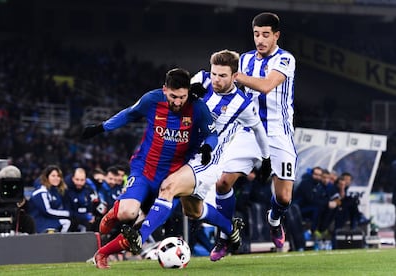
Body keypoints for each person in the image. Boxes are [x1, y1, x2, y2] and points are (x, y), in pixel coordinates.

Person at [119, 49, 270, 261]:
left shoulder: (242, 104)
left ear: (235, 76)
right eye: (214, 73)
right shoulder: (201, 78)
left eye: (223, 75)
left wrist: (266, 160)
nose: (216, 79)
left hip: (207, 160)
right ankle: (230, 226)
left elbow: (258, 130)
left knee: (168, 187)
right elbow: (178, 95)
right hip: (183, 152)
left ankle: (140, 236)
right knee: (193, 210)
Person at [82, 68, 218, 269]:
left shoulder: (198, 108)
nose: (178, 102)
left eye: (182, 96)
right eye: (173, 96)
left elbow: (212, 134)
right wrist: (102, 127)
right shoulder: (152, 100)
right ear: (165, 90)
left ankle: (102, 254)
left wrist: (208, 147)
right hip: (144, 170)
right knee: (128, 214)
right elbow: (129, 114)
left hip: (172, 179)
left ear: (189, 92)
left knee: (139, 228)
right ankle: (115, 213)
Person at [235, 12, 297, 249]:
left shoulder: (285, 60)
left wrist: (237, 76)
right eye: (256, 34)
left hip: (279, 132)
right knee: (222, 182)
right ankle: (224, 236)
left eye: (265, 35)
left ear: (276, 35)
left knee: (284, 197)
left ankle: (274, 218)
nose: (260, 39)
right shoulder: (244, 59)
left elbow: (266, 86)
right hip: (249, 131)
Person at [29, 165, 73, 233]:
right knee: (66, 222)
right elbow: (47, 211)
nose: (56, 178)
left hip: (49, 219)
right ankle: (62, 242)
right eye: (53, 176)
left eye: (58, 176)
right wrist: (68, 214)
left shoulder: (57, 191)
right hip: (38, 222)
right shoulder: (41, 191)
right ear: (47, 177)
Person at [66, 167, 100, 232]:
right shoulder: (67, 190)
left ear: (85, 180)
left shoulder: (88, 189)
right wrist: (84, 216)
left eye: (82, 180)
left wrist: (91, 215)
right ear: (73, 178)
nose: (79, 182)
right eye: (77, 179)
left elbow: (91, 206)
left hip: (86, 219)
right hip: (72, 220)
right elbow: (68, 211)